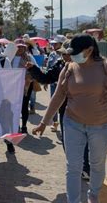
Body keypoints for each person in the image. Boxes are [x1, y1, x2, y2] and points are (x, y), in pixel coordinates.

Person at [32, 34, 107, 203]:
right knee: (73, 167)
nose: (72, 57)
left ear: (89, 50)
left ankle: (93, 193)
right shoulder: (68, 68)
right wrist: (44, 122)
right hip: (72, 123)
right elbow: (58, 96)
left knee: (97, 163)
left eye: (76, 53)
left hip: (101, 125)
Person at [26, 40, 91, 180]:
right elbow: (46, 78)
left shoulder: (89, 68)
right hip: (65, 111)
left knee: (84, 141)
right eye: (63, 54)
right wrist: (33, 69)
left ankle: (86, 168)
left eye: (68, 54)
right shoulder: (60, 65)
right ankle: (75, 166)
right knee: (67, 141)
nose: (65, 57)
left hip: (85, 112)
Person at [11, 39, 37, 134]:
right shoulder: (9, 58)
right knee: (13, 107)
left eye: (22, 46)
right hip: (12, 86)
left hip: (26, 86)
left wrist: (29, 77)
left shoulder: (29, 57)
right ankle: (15, 125)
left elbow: (36, 68)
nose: (20, 48)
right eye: (18, 46)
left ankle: (24, 126)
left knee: (24, 106)